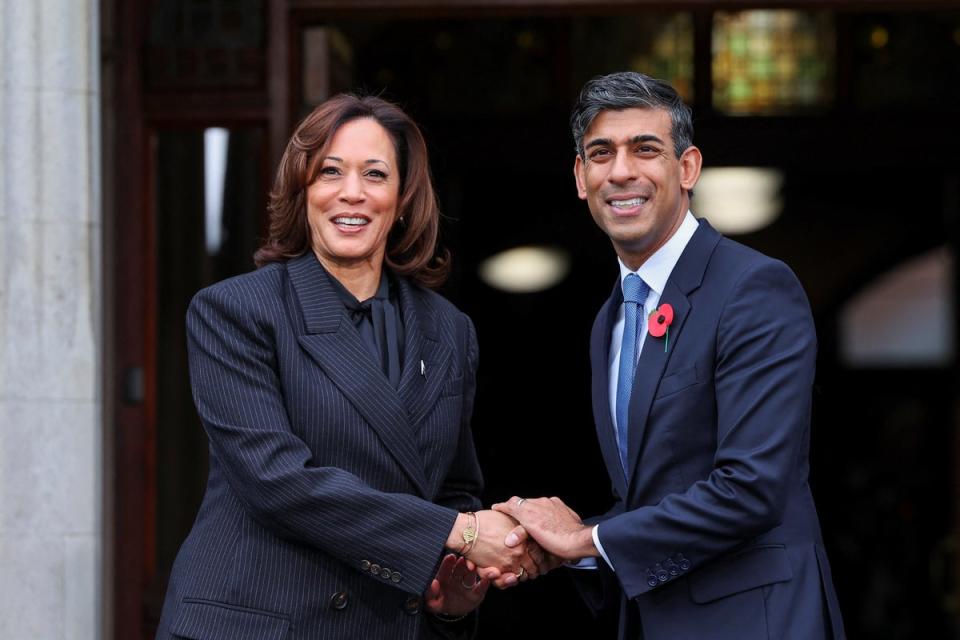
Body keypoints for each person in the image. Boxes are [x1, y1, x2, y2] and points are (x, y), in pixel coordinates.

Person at [156, 94, 541, 640]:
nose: (351, 192)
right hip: (259, 623)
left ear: (403, 198)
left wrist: (450, 595)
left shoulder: (450, 330)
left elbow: (454, 486)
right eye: (329, 172)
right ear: (303, 191)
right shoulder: (235, 311)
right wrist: (457, 532)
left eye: (375, 174)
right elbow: (277, 482)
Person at [494, 72, 846, 639]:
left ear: (688, 169)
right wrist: (562, 545)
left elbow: (751, 487)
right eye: (601, 154)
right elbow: (650, 497)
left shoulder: (754, 287)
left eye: (646, 149)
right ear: (581, 178)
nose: (622, 172)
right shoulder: (609, 318)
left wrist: (586, 539)